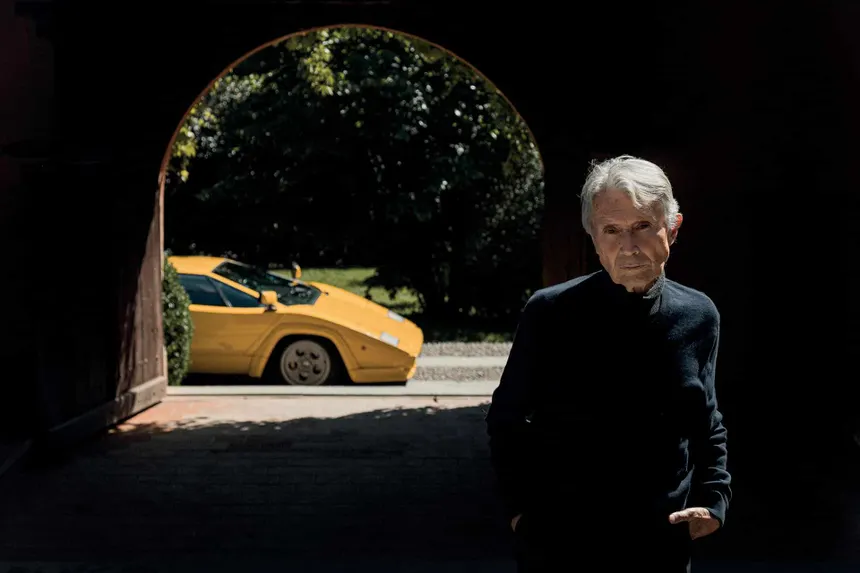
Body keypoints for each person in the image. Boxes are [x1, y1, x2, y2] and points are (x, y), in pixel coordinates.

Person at [485, 155, 732, 572]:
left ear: (673, 228)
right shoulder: (550, 313)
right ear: (594, 240)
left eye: (642, 227)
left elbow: (706, 421)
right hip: (561, 546)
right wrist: (521, 513)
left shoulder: (699, 315)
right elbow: (506, 420)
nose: (629, 247)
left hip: (660, 546)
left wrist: (713, 500)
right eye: (612, 231)